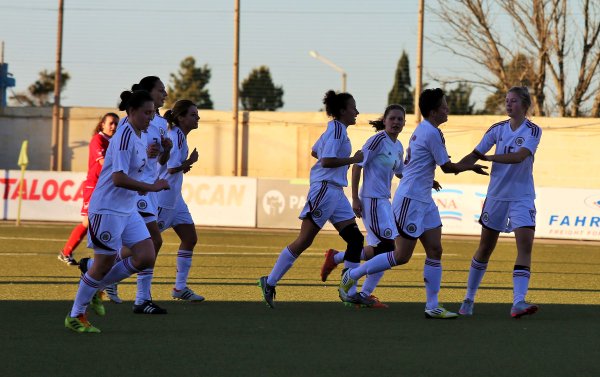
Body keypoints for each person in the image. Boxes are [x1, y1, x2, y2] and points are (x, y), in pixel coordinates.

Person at [339, 88, 488, 319]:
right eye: (444, 105)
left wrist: (431, 179)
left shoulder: (428, 131)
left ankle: (432, 305)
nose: (448, 109)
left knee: (435, 250)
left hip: (423, 200)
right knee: (400, 256)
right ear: (433, 111)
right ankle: (353, 275)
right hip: (409, 200)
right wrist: (471, 164)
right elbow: (447, 167)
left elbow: (417, 166)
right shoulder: (430, 132)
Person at [64, 90, 169, 333]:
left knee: (146, 255)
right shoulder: (124, 136)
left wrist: (156, 155)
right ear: (131, 112)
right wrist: (151, 187)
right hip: (107, 209)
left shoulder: (139, 134)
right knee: (103, 264)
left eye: (152, 113)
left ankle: (94, 289)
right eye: (146, 112)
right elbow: (119, 178)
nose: (150, 118)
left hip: (127, 207)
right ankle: (76, 315)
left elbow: (137, 168)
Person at [258, 90, 370, 309]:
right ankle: (269, 282)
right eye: (353, 107)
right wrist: (353, 159)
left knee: (355, 240)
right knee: (304, 240)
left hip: (335, 192)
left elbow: (315, 151)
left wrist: (337, 162)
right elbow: (326, 160)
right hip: (325, 191)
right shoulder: (337, 130)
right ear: (342, 111)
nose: (357, 111)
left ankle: (349, 291)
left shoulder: (336, 130)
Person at [457, 86, 542, 319]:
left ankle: (518, 302)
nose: (508, 104)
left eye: (513, 101)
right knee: (485, 247)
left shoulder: (533, 130)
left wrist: (490, 157)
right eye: (506, 101)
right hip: (495, 197)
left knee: (525, 246)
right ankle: (468, 298)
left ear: (525, 105)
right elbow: (475, 154)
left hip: (522, 197)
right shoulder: (497, 129)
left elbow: (519, 156)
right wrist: (454, 167)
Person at [320, 104, 408, 308]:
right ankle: (353, 280)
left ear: (404, 123)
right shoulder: (378, 140)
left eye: (400, 119)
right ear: (384, 121)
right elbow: (357, 166)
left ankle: (340, 261)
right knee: (388, 249)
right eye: (392, 118)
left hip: (384, 201)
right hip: (371, 200)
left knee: (383, 250)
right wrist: (355, 198)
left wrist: (422, 179)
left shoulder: (398, 146)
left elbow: (400, 173)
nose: (396, 122)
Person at [155, 99, 204, 302]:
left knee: (190, 238)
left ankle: (179, 288)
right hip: (162, 199)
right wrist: (189, 162)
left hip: (176, 200)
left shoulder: (180, 135)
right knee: (141, 245)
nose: (197, 118)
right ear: (181, 117)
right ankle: (102, 274)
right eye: (193, 114)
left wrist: (184, 165)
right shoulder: (176, 136)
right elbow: (170, 168)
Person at [58, 113, 119, 265]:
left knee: (105, 221)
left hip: (106, 187)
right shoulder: (97, 140)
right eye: (111, 123)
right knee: (87, 222)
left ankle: (106, 256)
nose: (114, 127)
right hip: (94, 186)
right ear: (102, 125)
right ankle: (66, 252)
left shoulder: (113, 141)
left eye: (116, 124)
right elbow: (103, 163)